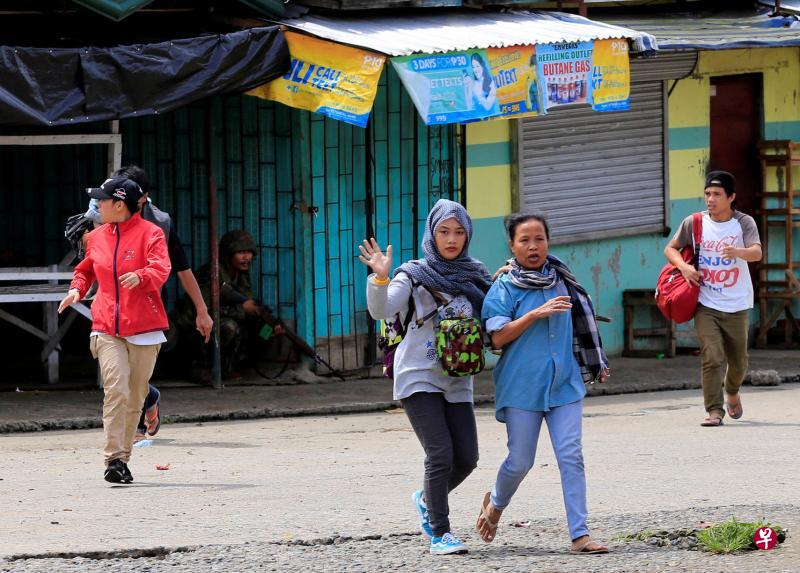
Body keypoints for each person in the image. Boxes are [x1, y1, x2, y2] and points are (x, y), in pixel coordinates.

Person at [358, 199, 492, 555]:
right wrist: (380, 277)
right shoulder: (413, 274)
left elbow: (496, 319)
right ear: (431, 234)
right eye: (444, 231)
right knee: (440, 453)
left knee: (467, 458)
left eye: (459, 232)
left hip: (457, 378)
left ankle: (426, 498)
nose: (452, 239)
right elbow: (382, 309)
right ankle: (440, 532)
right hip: (418, 374)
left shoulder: (476, 275)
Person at [476, 212, 609, 554]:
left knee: (571, 456)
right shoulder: (504, 287)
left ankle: (580, 535)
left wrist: (596, 362)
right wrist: (535, 314)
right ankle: (496, 504)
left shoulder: (563, 279)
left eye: (539, 239)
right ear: (512, 245)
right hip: (522, 387)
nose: (533, 247)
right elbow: (498, 338)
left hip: (564, 385)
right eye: (525, 240)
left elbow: (583, 325)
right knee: (520, 461)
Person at [86, 165, 214, 439]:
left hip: (148, 306)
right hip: (112, 306)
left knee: (135, 372)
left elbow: (182, 268)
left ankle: (138, 422)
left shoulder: (160, 224)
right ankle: (143, 408)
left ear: (142, 197)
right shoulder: (103, 213)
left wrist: (202, 311)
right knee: (118, 373)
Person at [59, 176, 171, 484]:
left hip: (145, 328)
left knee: (135, 395)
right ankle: (114, 460)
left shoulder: (152, 234)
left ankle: (123, 457)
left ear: (119, 204)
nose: (96, 205)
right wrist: (76, 290)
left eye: (102, 200)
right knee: (116, 389)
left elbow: (162, 268)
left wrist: (142, 275)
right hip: (106, 325)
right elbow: (85, 270)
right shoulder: (96, 237)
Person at [664, 171, 762, 427]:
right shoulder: (694, 222)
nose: (711, 199)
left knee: (739, 362)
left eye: (717, 194)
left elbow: (756, 253)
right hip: (706, 303)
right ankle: (714, 411)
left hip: (737, 303)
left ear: (731, 197)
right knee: (712, 356)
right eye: (708, 193)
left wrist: (737, 252)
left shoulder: (744, 223)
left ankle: (732, 392)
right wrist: (684, 268)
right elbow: (670, 248)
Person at [172, 230, 272, 379]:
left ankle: (229, 367)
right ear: (228, 254)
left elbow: (246, 302)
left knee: (265, 330)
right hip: (192, 329)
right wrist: (242, 310)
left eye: (249, 252)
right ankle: (198, 367)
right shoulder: (212, 274)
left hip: (218, 323)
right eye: (241, 252)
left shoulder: (241, 275)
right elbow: (205, 311)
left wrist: (268, 324)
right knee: (228, 327)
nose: (247, 257)